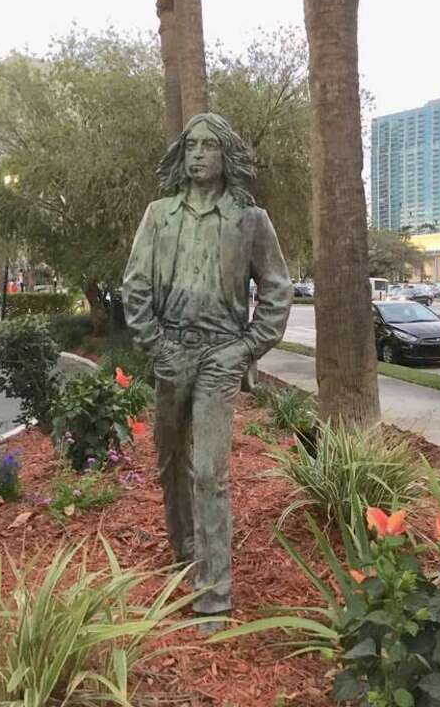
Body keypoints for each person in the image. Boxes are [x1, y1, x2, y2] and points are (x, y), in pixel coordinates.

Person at [123, 113, 291, 624]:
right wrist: (155, 345)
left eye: (208, 146)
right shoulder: (159, 215)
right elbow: (135, 286)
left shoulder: (250, 219)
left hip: (221, 355)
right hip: (170, 351)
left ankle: (214, 591)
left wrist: (248, 348)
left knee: (211, 472)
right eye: (191, 146)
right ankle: (185, 554)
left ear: (226, 155)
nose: (197, 154)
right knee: (171, 461)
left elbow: (277, 290)